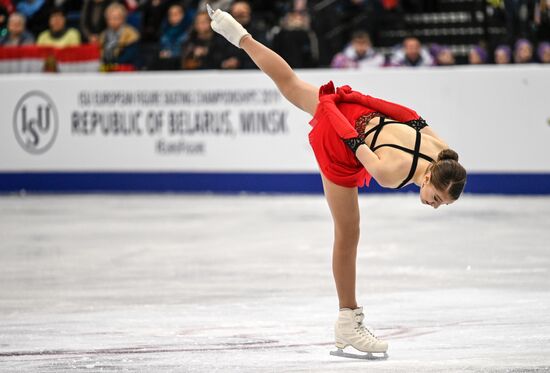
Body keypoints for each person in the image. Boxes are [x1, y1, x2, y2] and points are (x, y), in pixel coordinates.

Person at [207, 5, 467, 359]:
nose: (434, 205)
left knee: (291, 83)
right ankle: (348, 319)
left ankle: (237, 33)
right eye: (436, 199)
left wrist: (352, 98)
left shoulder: (444, 150)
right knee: (348, 234)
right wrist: (331, 107)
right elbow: (353, 145)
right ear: (428, 178)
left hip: (361, 114)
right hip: (343, 137)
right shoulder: (391, 174)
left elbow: (407, 114)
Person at [99, 2, 140, 67]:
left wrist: (114, 64)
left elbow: (129, 56)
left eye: (116, 18)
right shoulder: (103, 35)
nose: (113, 21)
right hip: (107, 69)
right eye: (110, 18)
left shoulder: (131, 34)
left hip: (125, 69)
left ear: (123, 18)